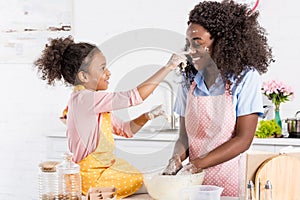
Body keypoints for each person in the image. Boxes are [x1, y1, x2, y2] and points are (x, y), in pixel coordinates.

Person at [34, 36, 186, 198]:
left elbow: (125, 130)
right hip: (92, 179)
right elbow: (133, 97)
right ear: (84, 77)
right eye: (102, 68)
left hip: (104, 171)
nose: (108, 73)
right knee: (154, 184)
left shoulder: (92, 101)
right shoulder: (85, 99)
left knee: (151, 182)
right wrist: (169, 67)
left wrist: (148, 116)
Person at [162, 0, 273, 197]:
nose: (190, 50)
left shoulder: (244, 78)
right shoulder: (189, 80)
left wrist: (196, 164)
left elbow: (243, 139)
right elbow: (184, 137)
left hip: (230, 180)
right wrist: (176, 160)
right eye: (188, 43)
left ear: (221, 42)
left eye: (198, 43)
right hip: (193, 182)